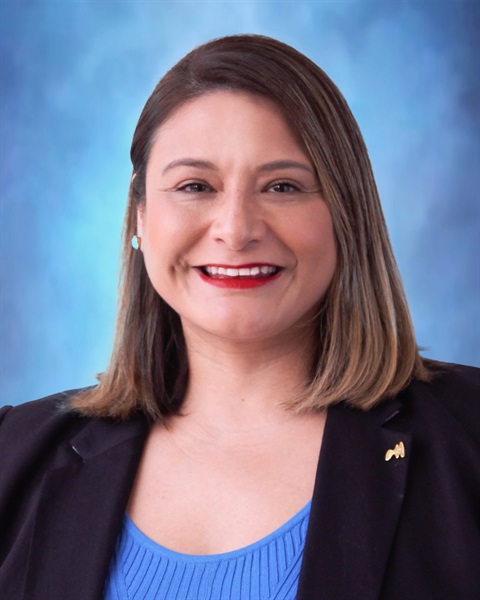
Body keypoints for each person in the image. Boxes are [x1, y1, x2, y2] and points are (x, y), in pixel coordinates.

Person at [0, 34, 479, 600]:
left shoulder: (466, 440)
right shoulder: (12, 456)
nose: (236, 229)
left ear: (346, 214)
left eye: (282, 186)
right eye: (195, 186)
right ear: (139, 216)